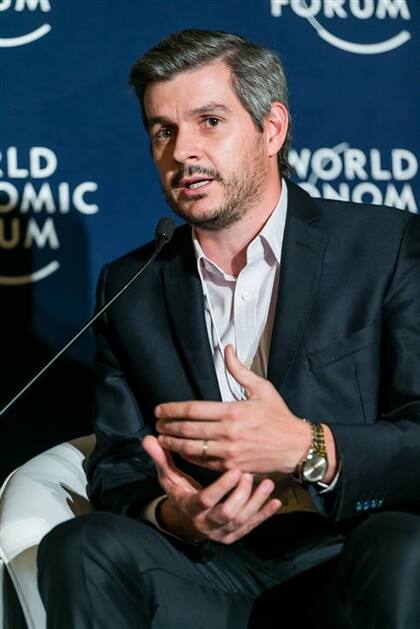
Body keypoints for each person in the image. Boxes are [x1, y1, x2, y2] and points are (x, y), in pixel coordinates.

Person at [37, 29, 420, 629]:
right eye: (163, 131)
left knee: (406, 547)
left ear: (272, 129)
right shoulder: (131, 285)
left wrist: (310, 448)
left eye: (209, 122)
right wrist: (177, 515)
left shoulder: (385, 246)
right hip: (214, 568)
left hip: (351, 552)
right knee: (81, 547)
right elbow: (118, 464)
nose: (182, 151)